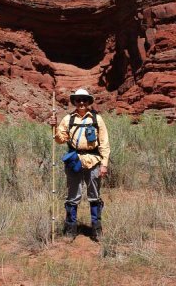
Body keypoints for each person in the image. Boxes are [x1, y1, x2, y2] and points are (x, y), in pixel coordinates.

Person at [50, 88, 110, 241]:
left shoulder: (97, 119)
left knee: (94, 196)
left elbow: (104, 143)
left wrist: (104, 164)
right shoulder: (68, 119)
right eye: (78, 100)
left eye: (84, 99)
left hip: (93, 161)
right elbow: (60, 139)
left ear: (89, 101)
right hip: (74, 160)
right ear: (74, 102)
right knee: (72, 196)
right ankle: (71, 229)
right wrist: (55, 128)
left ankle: (96, 230)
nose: (81, 102)